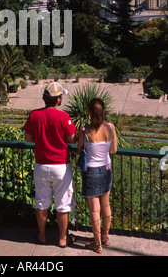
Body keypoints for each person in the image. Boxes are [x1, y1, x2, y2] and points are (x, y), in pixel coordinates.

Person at [24, 82, 77, 248]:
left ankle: (42, 236)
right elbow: (72, 139)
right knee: (63, 204)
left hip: (41, 165)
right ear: (58, 100)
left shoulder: (34, 115)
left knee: (41, 202)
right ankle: (62, 239)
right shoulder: (64, 117)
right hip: (61, 165)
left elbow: (28, 138)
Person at [77, 97, 117, 253]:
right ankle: (105, 237)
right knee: (106, 206)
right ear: (104, 112)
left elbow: (80, 149)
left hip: (91, 171)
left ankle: (97, 243)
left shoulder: (84, 130)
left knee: (95, 210)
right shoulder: (110, 128)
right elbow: (113, 150)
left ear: (89, 113)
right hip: (106, 169)